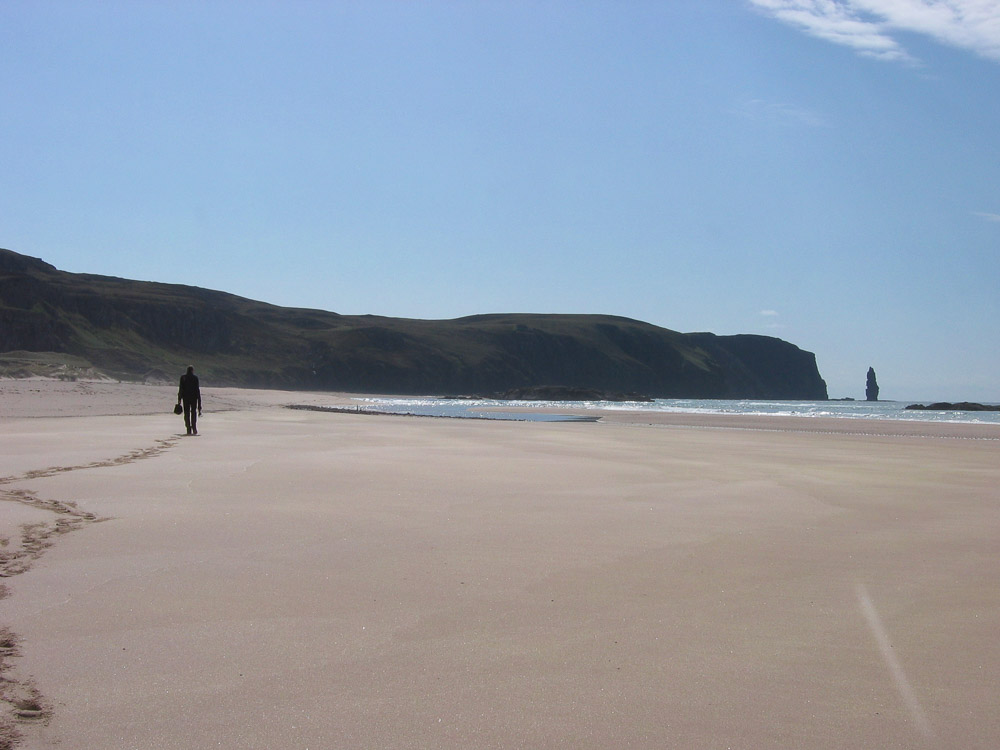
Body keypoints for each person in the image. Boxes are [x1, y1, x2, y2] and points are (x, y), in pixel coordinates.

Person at [177, 365, 202, 435]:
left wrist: (179, 399)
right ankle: (194, 427)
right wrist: (199, 401)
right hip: (194, 398)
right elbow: (197, 389)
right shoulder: (195, 378)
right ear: (192, 370)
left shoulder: (183, 378)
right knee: (193, 412)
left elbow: (181, 388)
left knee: (186, 413)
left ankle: (188, 428)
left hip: (185, 398)